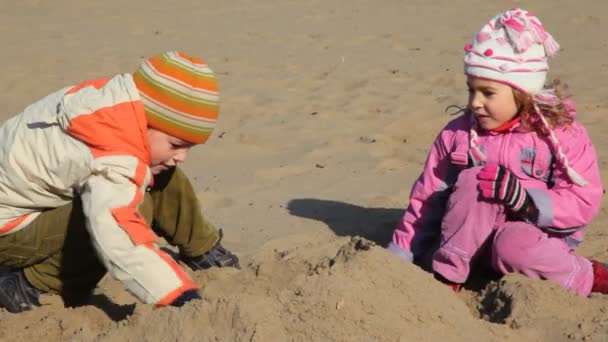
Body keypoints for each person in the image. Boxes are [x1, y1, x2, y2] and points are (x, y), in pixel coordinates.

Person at [388, 8, 608, 295]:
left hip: (537, 239)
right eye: (471, 90)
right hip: (465, 243)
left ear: (523, 92)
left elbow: (582, 200)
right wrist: (399, 256)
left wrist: (527, 202)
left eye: (488, 93)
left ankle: (586, 275)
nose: (475, 103)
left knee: (514, 245)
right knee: (476, 179)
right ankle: (447, 280)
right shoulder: (458, 135)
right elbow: (426, 198)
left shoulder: (563, 134)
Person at [0, 51, 240, 313]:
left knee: (159, 170)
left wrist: (167, 150)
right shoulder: (112, 152)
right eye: (176, 144)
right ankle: (30, 285)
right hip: (8, 230)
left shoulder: (115, 104)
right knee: (131, 211)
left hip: (26, 201)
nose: (182, 156)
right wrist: (178, 294)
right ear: (147, 120)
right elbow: (119, 238)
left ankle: (202, 249)